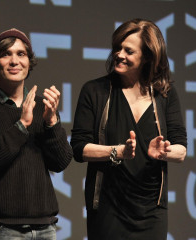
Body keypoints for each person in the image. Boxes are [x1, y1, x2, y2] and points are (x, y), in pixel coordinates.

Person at [71, 19, 187, 239]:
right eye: (117, 48)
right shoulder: (95, 91)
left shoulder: (165, 94)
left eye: (128, 50)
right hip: (108, 206)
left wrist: (164, 152)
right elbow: (78, 148)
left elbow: (181, 150)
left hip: (152, 209)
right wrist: (117, 151)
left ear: (148, 57)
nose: (119, 54)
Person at [0, 28, 73, 239]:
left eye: (21, 54)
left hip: (46, 227)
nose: (14, 61)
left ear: (29, 62)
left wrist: (51, 122)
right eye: (6, 54)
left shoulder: (42, 106)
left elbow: (61, 162)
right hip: (3, 228)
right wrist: (22, 124)